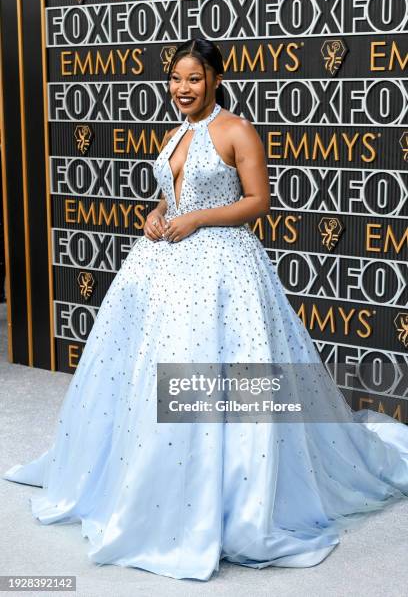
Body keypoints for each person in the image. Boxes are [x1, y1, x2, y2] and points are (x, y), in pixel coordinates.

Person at [3, 38, 408, 581]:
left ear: (215, 78)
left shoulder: (236, 130)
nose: (181, 89)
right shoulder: (174, 133)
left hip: (221, 270)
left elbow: (258, 202)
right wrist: (155, 215)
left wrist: (195, 220)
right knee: (147, 375)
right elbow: (172, 198)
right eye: (175, 79)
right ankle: (140, 484)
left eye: (193, 78)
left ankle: (223, 495)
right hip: (161, 266)